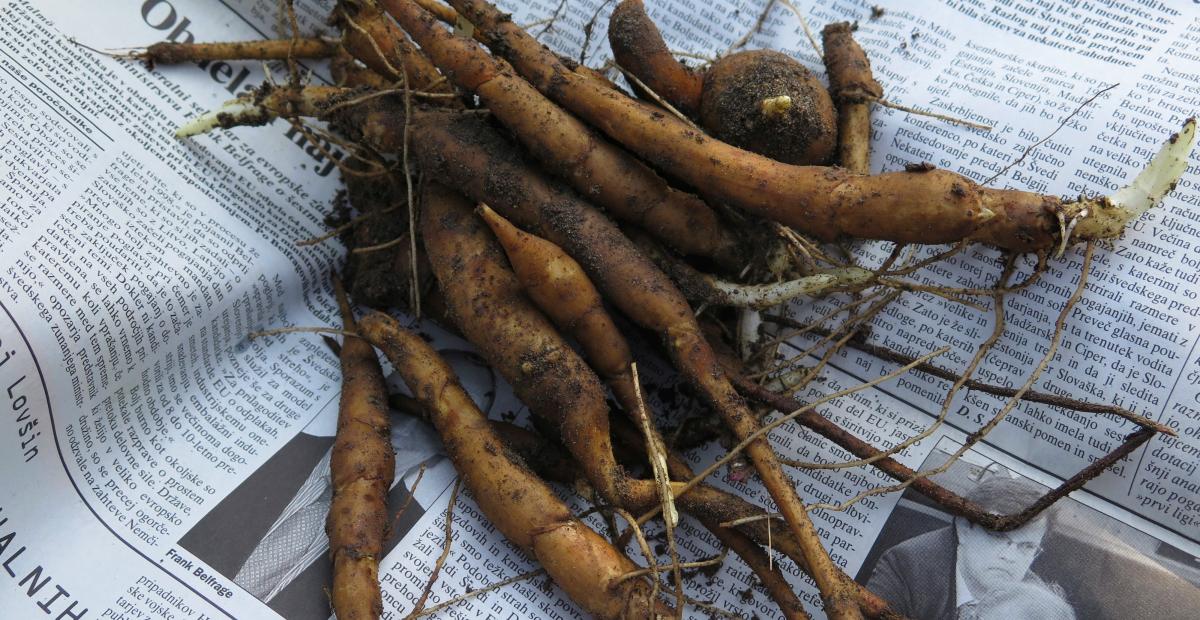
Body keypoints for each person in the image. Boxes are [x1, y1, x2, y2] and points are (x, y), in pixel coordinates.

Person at [865, 475, 1071, 620]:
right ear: (963, 529)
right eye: (997, 537)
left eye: (1027, 546)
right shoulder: (906, 566)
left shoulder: (1039, 605)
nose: (1010, 557)